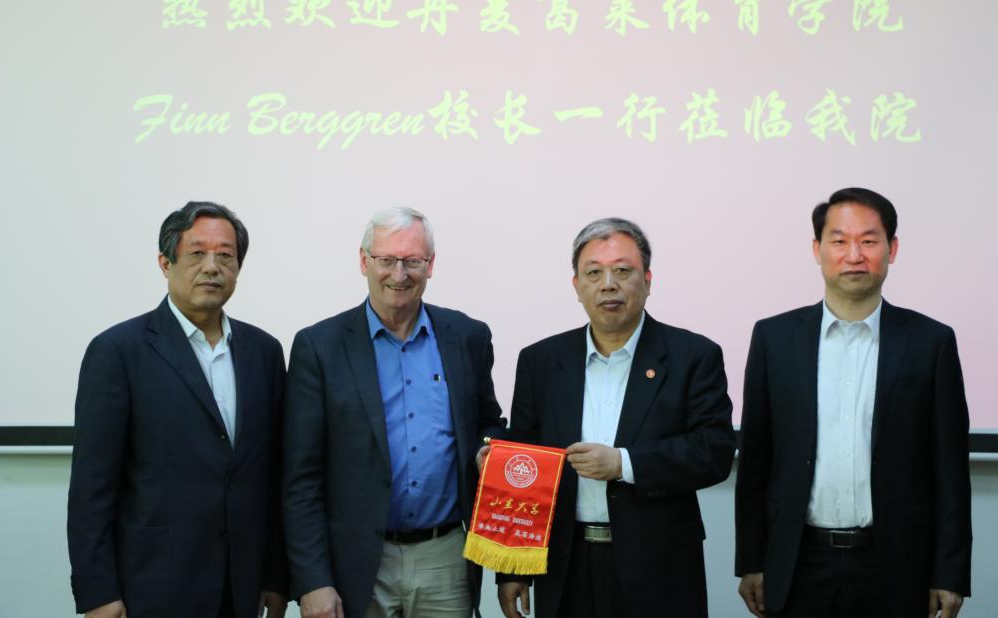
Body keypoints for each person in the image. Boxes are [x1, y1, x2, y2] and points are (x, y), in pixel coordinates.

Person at [734, 187, 971, 618]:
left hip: (897, 563)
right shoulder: (774, 339)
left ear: (892, 249)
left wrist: (950, 573)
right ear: (817, 250)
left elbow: (950, 469)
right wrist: (750, 561)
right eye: (840, 241)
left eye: (869, 241)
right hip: (799, 562)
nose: (854, 255)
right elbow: (755, 461)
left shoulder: (930, 342)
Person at [497, 217, 735, 618]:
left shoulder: (693, 356)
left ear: (648, 280)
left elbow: (714, 452)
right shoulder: (541, 362)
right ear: (577, 285)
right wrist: (512, 567)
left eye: (623, 271)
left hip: (660, 568)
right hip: (566, 566)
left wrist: (624, 463)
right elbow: (523, 465)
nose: (608, 284)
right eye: (594, 273)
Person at [283, 207, 507, 618]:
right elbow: (300, 476)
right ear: (363, 261)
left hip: (444, 556)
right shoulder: (320, 347)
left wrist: (486, 449)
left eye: (412, 261)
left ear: (431, 265)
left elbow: (487, 423)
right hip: (356, 562)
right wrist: (312, 580)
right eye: (386, 259)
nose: (399, 274)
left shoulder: (467, 337)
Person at [67, 201, 288, 618]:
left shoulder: (264, 352)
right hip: (153, 585)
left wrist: (276, 576)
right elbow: (91, 489)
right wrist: (98, 592)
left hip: (241, 587)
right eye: (197, 254)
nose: (212, 267)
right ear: (165, 263)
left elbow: (272, 475)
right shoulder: (118, 352)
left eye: (225, 256)